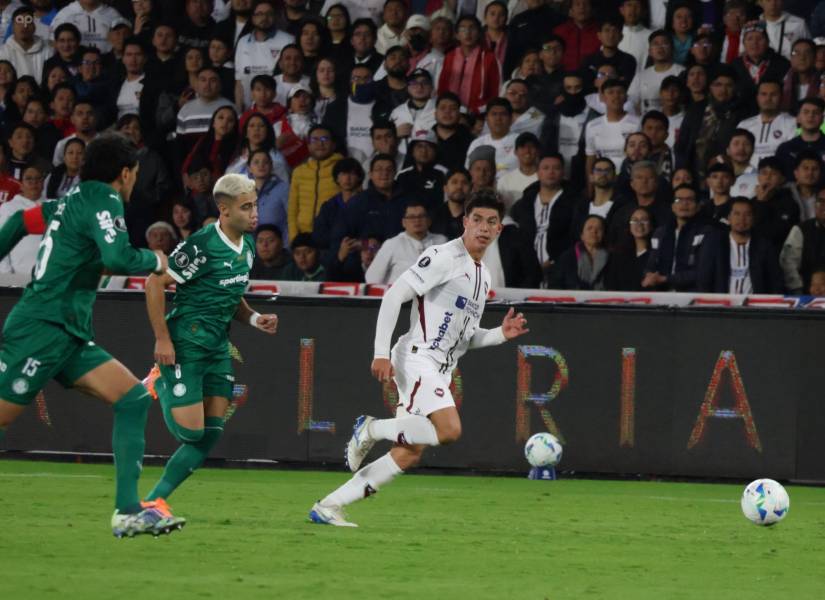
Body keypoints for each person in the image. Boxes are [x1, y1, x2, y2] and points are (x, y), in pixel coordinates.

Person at [309, 190, 529, 527]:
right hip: (416, 358)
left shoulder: (482, 277)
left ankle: (329, 506)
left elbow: (466, 339)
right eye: (478, 219)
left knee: (409, 452)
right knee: (450, 430)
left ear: (499, 229)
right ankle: (370, 428)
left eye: (492, 221)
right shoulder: (443, 256)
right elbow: (394, 294)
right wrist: (381, 353)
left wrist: (501, 333)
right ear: (465, 222)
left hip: (440, 367)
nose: (484, 227)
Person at [0, 133, 183, 537]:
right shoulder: (104, 197)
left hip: (67, 333)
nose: (134, 182)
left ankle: (127, 511)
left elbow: (19, 222)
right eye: (134, 174)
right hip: (42, 328)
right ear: (124, 173)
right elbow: (118, 256)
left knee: (133, 398)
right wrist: (156, 259)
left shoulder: (69, 202)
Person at [141, 173, 278, 509]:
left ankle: (154, 501)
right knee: (190, 434)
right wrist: (162, 340)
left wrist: (254, 318)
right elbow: (154, 283)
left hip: (217, 347)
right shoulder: (202, 244)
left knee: (210, 434)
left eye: (255, 205)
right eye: (246, 207)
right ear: (225, 210)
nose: (255, 214)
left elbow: (231, 295)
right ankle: (159, 377)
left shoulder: (246, 245)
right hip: (185, 345)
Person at [511, 153, 576, 286]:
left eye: (556, 168)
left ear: (563, 172)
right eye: (545, 168)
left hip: (560, 269)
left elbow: (575, 236)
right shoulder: (524, 203)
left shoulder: (574, 202)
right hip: (526, 270)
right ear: (538, 172)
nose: (551, 172)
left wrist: (554, 261)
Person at [697, 196, 784, 293]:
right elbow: (704, 279)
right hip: (721, 305)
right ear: (729, 218)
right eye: (737, 214)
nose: (742, 219)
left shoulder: (764, 246)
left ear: (753, 219)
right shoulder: (715, 244)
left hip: (756, 306)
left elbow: (775, 280)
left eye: (747, 214)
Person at [642, 184, 706, 291]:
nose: (684, 204)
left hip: (691, 293)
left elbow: (701, 271)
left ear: (698, 206)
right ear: (672, 206)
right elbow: (650, 264)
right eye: (678, 200)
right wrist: (649, 275)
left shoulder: (707, 233)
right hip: (661, 292)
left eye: (690, 200)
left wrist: (665, 279)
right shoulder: (661, 233)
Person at [365, 201, 447, 284]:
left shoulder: (441, 241)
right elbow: (372, 278)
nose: (417, 220)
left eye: (421, 216)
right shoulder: (392, 244)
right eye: (411, 217)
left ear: (429, 221)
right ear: (403, 222)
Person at [287, 124, 342, 242]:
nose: (320, 144)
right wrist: (294, 237)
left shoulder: (343, 168)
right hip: (303, 238)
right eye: (315, 140)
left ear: (333, 145)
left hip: (331, 237)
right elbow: (292, 209)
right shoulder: (299, 171)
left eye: (324, 139)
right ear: (308, 145)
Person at [437, 15, 500, 115]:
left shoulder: (489, 58)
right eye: (463, 29)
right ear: (457, 35)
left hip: (480, 115)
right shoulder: (449, 57)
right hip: (450, 113)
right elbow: (442, 87)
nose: (468, 32)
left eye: (472, 28)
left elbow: (496, 92)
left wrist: (478, 111)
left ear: (479, 33)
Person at [736, 79, 798, 166]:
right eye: (764, 94)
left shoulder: (793, 123)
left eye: (773, 94)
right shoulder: (744, 125)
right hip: (747, 176)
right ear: (757, 97)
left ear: (782, 97)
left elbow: (793, 154)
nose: (768, 98)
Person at [780, 187, 825, 294]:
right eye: (821, 202)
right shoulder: (801, 229)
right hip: (807, 294)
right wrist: (798, 289)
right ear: (815, 204)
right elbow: (789, 263)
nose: (824, 206)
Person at [0, 163, 44, 274]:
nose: (33, 182)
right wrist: (7, 275)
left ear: (43, 183)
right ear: (21, 184)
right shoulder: (8, 208)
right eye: (28, 179)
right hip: (17, 275)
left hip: (48, 276)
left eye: (38, 179)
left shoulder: (53, 206)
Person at [604, 206, 652, 290]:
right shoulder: (618, 256)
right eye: (634, 220)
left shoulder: (658, 255)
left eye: (644, 220)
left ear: (651, 225)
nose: (639, 224)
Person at [0, 6, 51, 82]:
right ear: (12, 26)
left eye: (28, 21)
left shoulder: (48, 51)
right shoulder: (2, 53)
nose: (24, 26)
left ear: (34, 26)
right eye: (19, 21)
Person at [496, 132, 539, 213]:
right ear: (515, 152)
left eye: (531, 147)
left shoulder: (546, 179)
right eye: (523, 147)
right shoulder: (504, 181)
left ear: (538, 151)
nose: (527, 151)